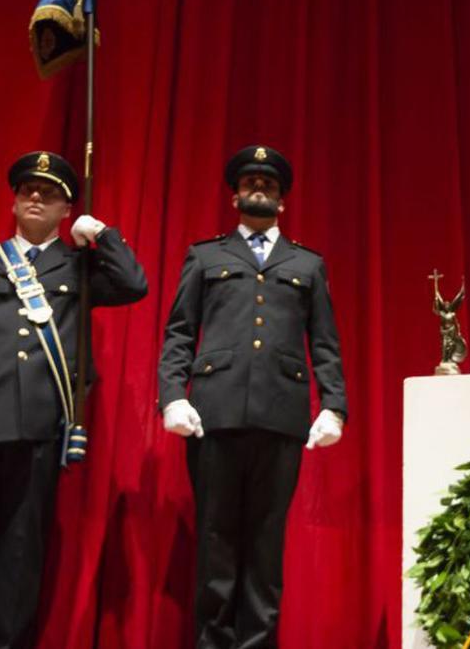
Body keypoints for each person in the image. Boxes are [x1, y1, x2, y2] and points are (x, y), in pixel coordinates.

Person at [0, 151, 148, 648]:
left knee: (21, 557)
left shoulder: (78, 269)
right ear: (15, 201)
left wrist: (102, 235)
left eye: (51, 193)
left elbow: (133, 285)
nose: (35, 197)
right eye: (27, 190)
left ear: (67, 210)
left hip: (36, 427)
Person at [158, 145, 348, 648]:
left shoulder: (306, 264)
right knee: (216, 544)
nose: (258, 187)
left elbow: (325, 342)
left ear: (282, 199)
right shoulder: (206, 256)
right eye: (249, 181)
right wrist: (173, 396)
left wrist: (334, 405)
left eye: (268, 182)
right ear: (235, 194)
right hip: (213, 416)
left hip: (281, 418)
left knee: (265, 549)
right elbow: (180, 332)